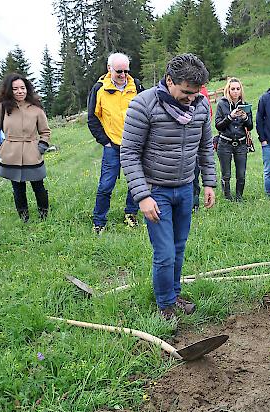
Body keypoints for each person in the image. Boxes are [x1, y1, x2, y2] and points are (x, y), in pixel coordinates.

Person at [120, 53, 217, 320]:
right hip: (156, 191)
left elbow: (205, 147)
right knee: (164, 253)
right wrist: (142, 196)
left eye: (196, 93)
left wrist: (209, 182)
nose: (191, 98)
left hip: (186, 188)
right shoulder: (143, 105)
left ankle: (173, 295)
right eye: (186, 92)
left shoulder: (199, 105)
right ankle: (165, 306)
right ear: (169, 81)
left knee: (179, 246)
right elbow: (128, 153)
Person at [88, 52, 144, 234]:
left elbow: (147, 110)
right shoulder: (99, 89)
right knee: (106, 185)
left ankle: (131, 213)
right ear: (109, 69)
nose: (123, 75)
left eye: (126, 71)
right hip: (112, 146)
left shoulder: (136, 86)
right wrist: (105, 142)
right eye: (119, 71)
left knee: (136, 183)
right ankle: (99, 221)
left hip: (135, 144)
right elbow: (92, 119)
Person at [0, 73, 51, 222]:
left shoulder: (36, 108)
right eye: (15, 89)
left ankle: (44, 216)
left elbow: (45, 132)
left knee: (38, 186)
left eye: (22, 88)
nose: (20, 91)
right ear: (9, 90)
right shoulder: (1, 108)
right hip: (11, 155)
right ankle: (24, 218)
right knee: (18, 189)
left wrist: (40, 148)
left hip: (32, 153)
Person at [215, 77, 252, 201]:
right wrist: (230, 117)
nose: (235, 91)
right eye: (233, 89)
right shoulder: (222, 104)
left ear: (241, 90)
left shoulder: (245, 105)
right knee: (226, 174)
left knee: (241, 174)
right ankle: (227, 197)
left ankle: (239, 197)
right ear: (228, 90)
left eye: (238, 89)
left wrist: (246, 117)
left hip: (241, 143)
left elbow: (250, 126)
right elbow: (218, 125)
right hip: (225, 142)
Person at [193, 84, 214, 210]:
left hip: (198, 139)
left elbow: (208, 113)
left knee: (195, 173)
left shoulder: (203, 92)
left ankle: (194, 203)